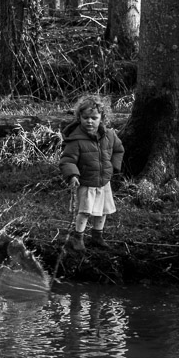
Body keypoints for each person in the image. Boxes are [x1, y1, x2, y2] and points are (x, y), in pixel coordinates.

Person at [59, 96, 124, 251]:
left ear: (102, 118)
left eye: (94, 118)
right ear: (79, 117)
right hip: (86, 182)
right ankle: (78, 238)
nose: (89, 121)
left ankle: (97, 236)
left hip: (104, 181)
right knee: (85, 211)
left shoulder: (109, 135)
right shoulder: (75, 139)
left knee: (103, 211)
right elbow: (67, 160)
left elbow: (119, 150)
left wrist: (113, 168)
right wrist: (73, 175)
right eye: (85, 117)